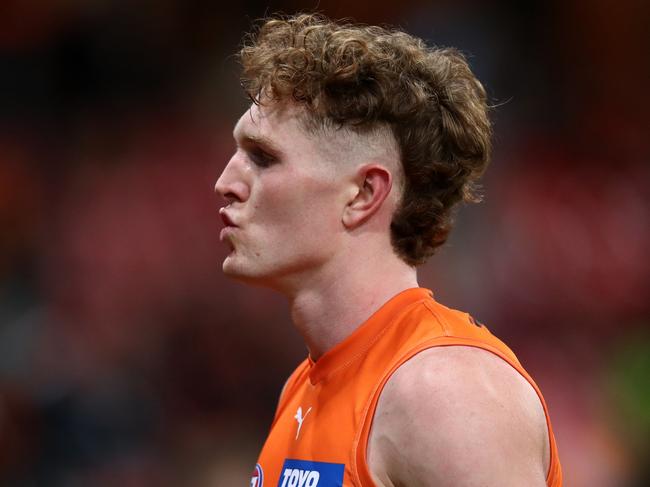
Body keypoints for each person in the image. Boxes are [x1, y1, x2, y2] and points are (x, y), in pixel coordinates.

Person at [215, 13, 562, 487]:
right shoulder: (303, 386)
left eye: (263, 158)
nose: (226, 183)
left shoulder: (443, 391)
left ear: (362, 195)